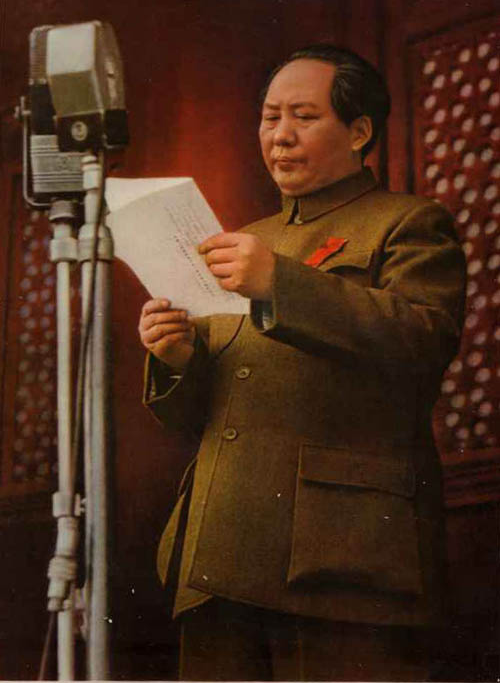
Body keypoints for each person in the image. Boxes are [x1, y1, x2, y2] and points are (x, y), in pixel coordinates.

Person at [138, 45, 465, 681]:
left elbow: (423, 339)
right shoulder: (244, 239)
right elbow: (201, 417)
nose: (280, 135)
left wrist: (279, 283)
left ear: (360, 131)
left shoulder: (408, 222)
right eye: (269, 117)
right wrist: (177, 358)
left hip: (342, 561)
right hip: (217, 558)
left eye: (303, 116)